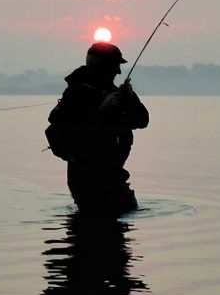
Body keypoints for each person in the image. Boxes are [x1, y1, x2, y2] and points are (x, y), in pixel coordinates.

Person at [45, 41, 149, 213]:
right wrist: (102, 109)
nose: (119, 71)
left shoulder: (115, 93)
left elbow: (142, 121)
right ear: (103, 66)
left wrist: (131, 98)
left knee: (125, 212)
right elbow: (72, 128)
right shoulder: (76, 93)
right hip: (86, 176)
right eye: (116, 65)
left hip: (112, 174)